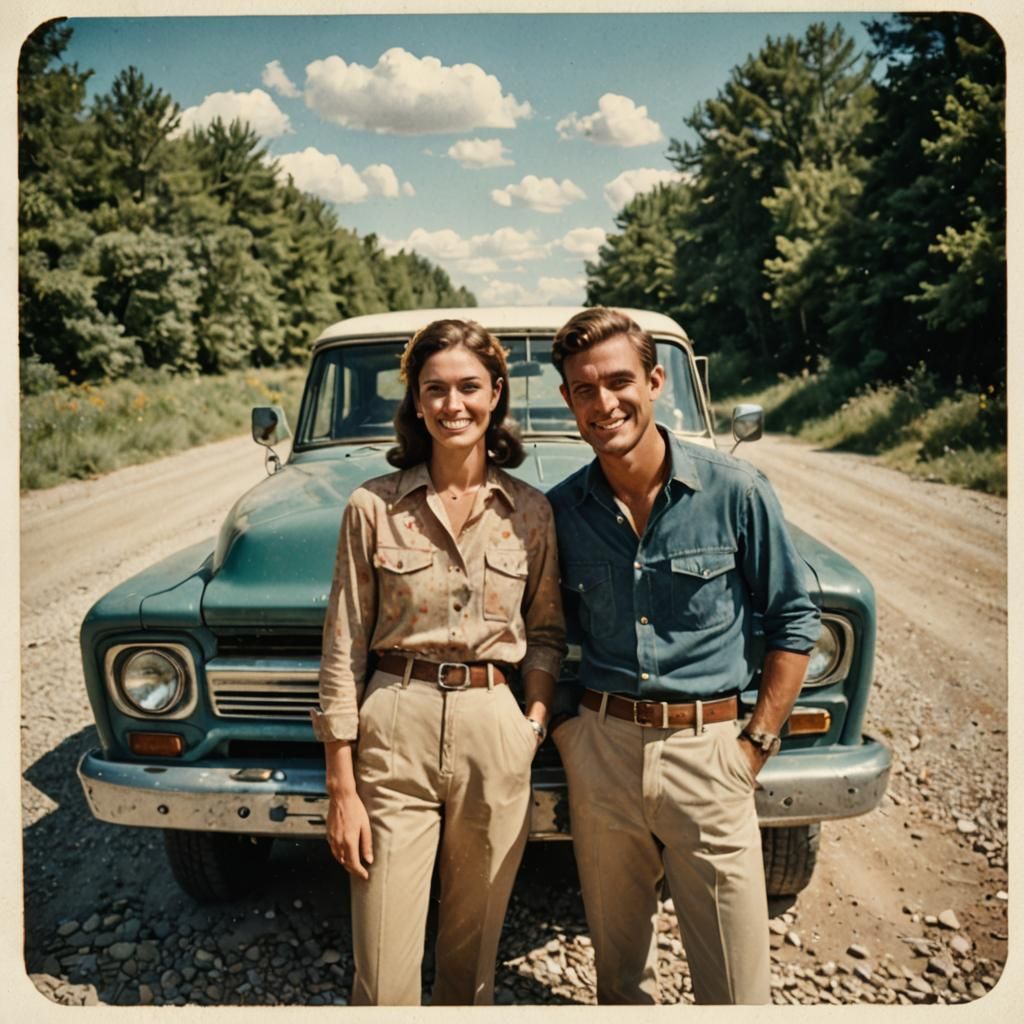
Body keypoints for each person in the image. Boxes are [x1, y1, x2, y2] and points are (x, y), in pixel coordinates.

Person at [546, 307, 820, 1005]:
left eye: (618, 381)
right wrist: (569, 735)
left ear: (657, 381)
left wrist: (755, 743)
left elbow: (794, 615)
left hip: (711, 752)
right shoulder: (560, 511)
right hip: (602, 753)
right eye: (584, 389)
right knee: (619, 978)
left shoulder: (736, 490)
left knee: (735, 985)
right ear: (568, 400)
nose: (604, 403)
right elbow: (544, 631)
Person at [310, 319, 565, 1006]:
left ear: (497, 394)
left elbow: (545, 632)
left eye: (469, 388)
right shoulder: (373, 506)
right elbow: (344, 641)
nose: (454, 405)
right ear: (416, 404)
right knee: (384, 967)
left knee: (472, 960)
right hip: (395, 724)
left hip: (495, 728)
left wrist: (530, 722)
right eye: (436, 390)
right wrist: (341, 785)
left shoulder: (532, 513)